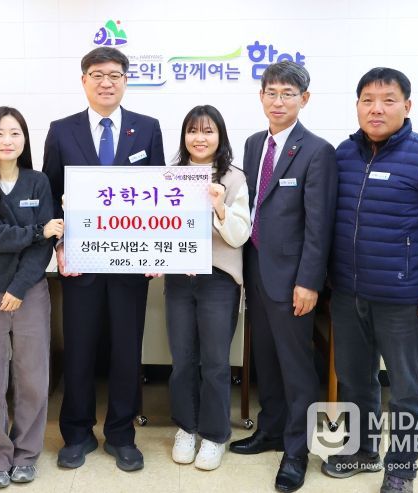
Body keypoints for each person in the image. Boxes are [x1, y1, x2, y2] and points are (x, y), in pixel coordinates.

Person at [323, 68, 418, 493]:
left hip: (403, 299)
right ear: (357, 106)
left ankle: (402, 470)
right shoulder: (343, 156)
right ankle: (362, 450)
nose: (377, 109)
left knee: (407, 390)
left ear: (407, 106)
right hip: (348, 293)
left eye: (388, 100)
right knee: (354, 379)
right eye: (367, 100)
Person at [42, 46, 164, 473]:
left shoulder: (147, 129)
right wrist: (59, 246)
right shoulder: (62, 131)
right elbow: (49, 194)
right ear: (84, 81)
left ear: (126, 80)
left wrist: (157, 248)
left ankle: (121, 434)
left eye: (115, 75)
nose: (106, 82)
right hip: (81, 262)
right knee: (79, 349)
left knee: (127, 351)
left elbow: (159, 193)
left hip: (131, 263)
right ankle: (76, 433)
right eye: (97, 75)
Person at [229, 61, 337, 493]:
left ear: (303, 99)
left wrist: (309, 282)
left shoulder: (317, 151)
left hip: (293, 279)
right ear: (261, 96)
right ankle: (271, 430)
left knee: (296, 367)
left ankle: (297, 450)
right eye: (271, 92)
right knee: (266, 359)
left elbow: (319, 225)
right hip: (256, 270)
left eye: (288, 94)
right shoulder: (254, 143)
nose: (278, 101)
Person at [0, 106, 63, 489]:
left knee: (33, 377)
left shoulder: (37, 182)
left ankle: (26, 454)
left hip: (29, 292)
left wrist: (19, 288)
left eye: (15, 133)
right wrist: (36, 231)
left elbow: (45, 247)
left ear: (25, 139)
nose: (7, 140)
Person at [165, 105, 250, 471]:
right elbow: (158, 227)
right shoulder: (170, 176)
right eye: (193, 131)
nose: (199, 138)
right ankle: (186, 428)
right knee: (182, 360)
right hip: (179, 279)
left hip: (218, 279)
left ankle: (215, 435)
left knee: (215, 362)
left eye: (208, 131)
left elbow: (240, 235)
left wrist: (219, 208)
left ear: (220, 136)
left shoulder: (234, 178)